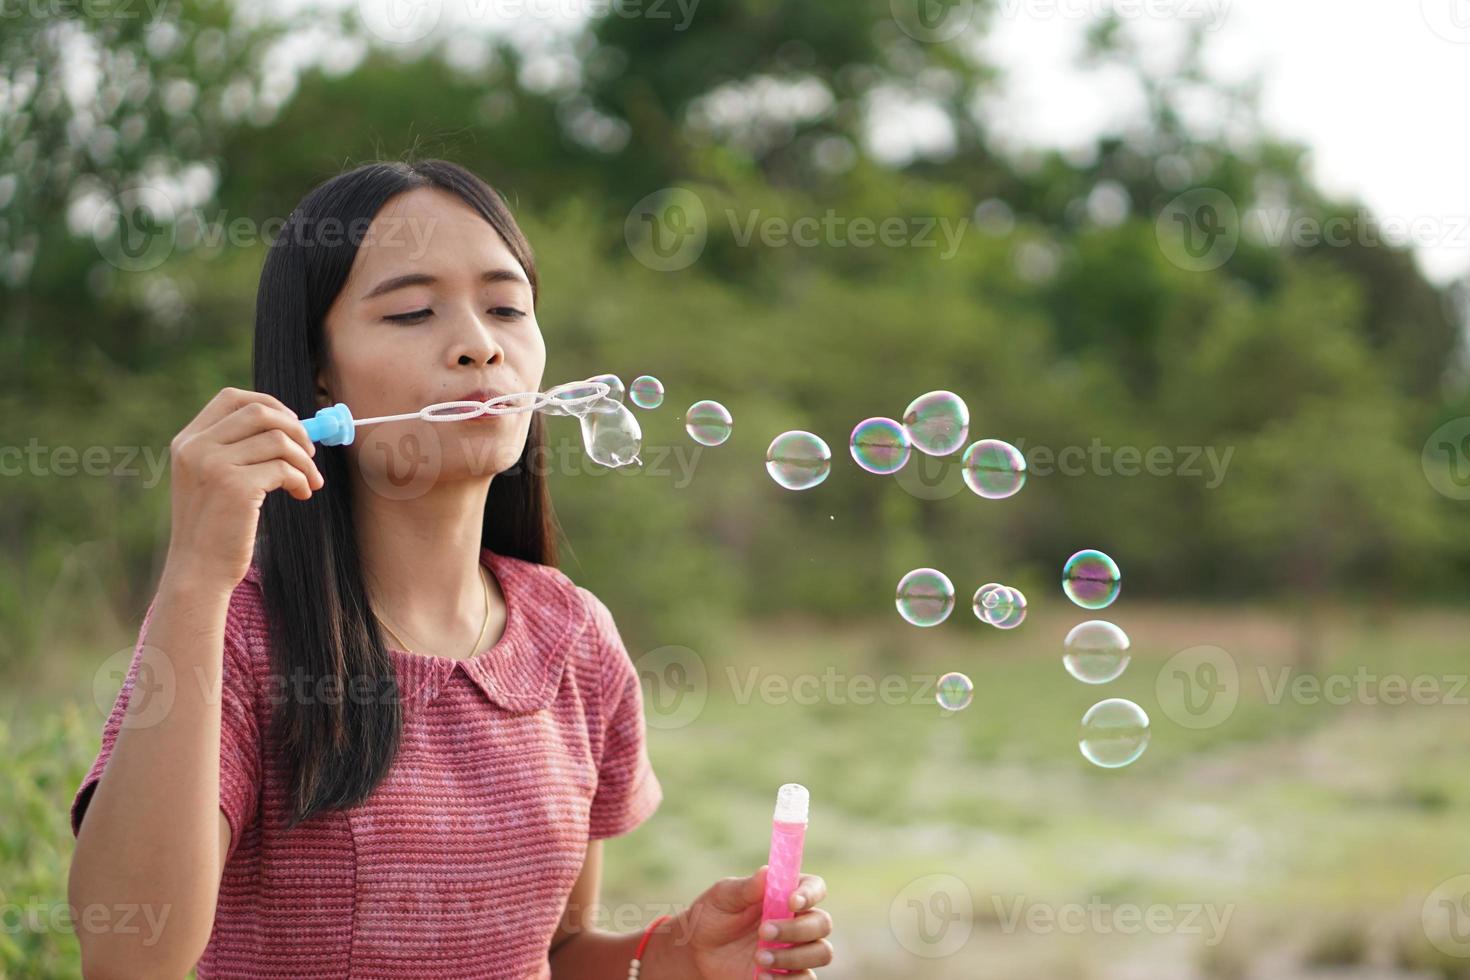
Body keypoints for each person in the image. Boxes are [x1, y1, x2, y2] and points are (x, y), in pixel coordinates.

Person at [66, 159, 835, 979]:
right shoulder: (243, 634)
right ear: (319, 371)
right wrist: (193, 576)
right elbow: (125, 954)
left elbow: (556, 956)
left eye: (506, 307)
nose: (478, 345)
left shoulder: (572, 636)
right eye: (412, 312)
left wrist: (677, 955)